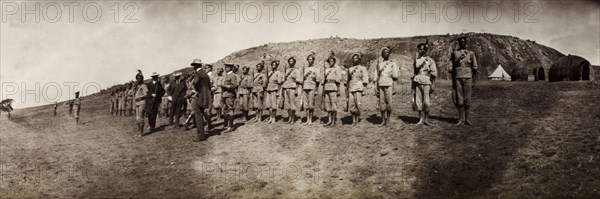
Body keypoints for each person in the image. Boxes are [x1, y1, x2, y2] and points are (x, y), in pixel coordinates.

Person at [450, 36, 478, 126]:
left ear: (466, 42)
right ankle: (460, 119)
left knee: (467, 99)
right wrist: (453, 80)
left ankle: (467, 119)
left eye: (464, 41)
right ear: (458, 43)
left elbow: (474, 68)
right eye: (461, 41)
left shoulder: (471, 53)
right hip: (458, 77)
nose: (463, 43)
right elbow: (452, 68)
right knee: (459, 99)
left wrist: (474, 81)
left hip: (468, 77)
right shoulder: (455, 53)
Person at [372, 46, 400, 127]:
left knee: (389, 103)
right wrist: (375, 86)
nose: (386, 54)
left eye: (387, 52)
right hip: (381, 84)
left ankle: (388, 120)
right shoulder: (379, 64)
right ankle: (383, 120)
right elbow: (376, 76)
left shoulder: (392, 64)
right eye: (384, 52)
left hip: (389, 84)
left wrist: (394, 87)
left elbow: (395, 76)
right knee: (382, 103)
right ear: (382, 54)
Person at [412, 41, 438, 126]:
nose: (420, 51)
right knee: (418, 101)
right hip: (418, 81)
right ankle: (420, 119)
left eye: (422, 49)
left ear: (425, 50)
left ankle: (426, 119)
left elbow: (433, 74)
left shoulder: (430, 60)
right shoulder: (416, 60)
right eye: (419, 49)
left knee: (426, 102)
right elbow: (415, 72)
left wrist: (433, 84)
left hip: (427, 81)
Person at [191, 58, 213, 141]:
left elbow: (196, 82)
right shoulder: (205, 73)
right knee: (204, 113)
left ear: (196, 66)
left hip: (200, 96)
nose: (193, 67)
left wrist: (196, 90)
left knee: (198, 116)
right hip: (206, 96)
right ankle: (206, 129)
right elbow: (209, 86)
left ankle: (201, 136)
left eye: (193, 65)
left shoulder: (197, 73)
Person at [346, 53, 369, 126]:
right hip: (352, 87)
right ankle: (353, 120)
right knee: (352, 104)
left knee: (358, 104)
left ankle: (357, 119)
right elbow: (348, 80)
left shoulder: (363, 68)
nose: (355, 59)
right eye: (353, 58)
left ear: (359, 60)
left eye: (356, 58)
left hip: (359, 87)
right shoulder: (350, 69)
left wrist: (364, 89)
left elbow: (365, 79)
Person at [323, 54, 343, 127]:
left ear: (334, 62)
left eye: (332, 61)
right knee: (327, 105)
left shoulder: (337, 69)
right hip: (326, 87)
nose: (330, 62)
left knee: (333, 104)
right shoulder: (326, 70)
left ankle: (333, 121)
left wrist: (338, 90)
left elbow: (339, 79)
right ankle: (329, 120)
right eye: (329, 61)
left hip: (333, 87)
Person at [281, 57, 302, 123]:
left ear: (294, 62)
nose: (291, 62)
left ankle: (293, 119)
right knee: (287, 103)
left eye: (292, 61)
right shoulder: (286, 70)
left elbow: (298, 81)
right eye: (290, 61)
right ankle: (289, 118)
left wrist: (296, 90)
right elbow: (284, 80)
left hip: (293, 87)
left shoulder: (297, 70)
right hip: (286, 87)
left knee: (292, 103)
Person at [300, 53, 319, 125]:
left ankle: (311, 120)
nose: (310, 61)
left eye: (311, 59)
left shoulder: (316, 69)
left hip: (312, 87)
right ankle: (307, 120)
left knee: (311, 104)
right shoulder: (305, 69)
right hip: (305, 87)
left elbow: (317, 81)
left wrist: (316, 90)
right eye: (309, 59)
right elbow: (302, 79)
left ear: (313, 61)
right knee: (306, 105)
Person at [221, 63, 239, 132]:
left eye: (227, 67)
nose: (225, 68)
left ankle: (230, 126)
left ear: (230, 68)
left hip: (230, 95)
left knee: (230, 110)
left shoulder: (233, 76)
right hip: (225, 95)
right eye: (225, 67)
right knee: (225, 110)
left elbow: (234, 86)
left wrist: (224, 86)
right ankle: (226, 125)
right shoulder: (226, 75)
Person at [133, 70, 149, 136]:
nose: (138, 80)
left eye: (139, 79)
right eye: (137, 79)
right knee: (137, 119)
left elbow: (146, 94)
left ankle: (141, 133)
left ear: (142, 80)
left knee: (141, 118)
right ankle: (139, 132)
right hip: (137, 103)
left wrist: (140, 97)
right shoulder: (137, 86)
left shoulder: (144, 86)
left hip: (142, 103)